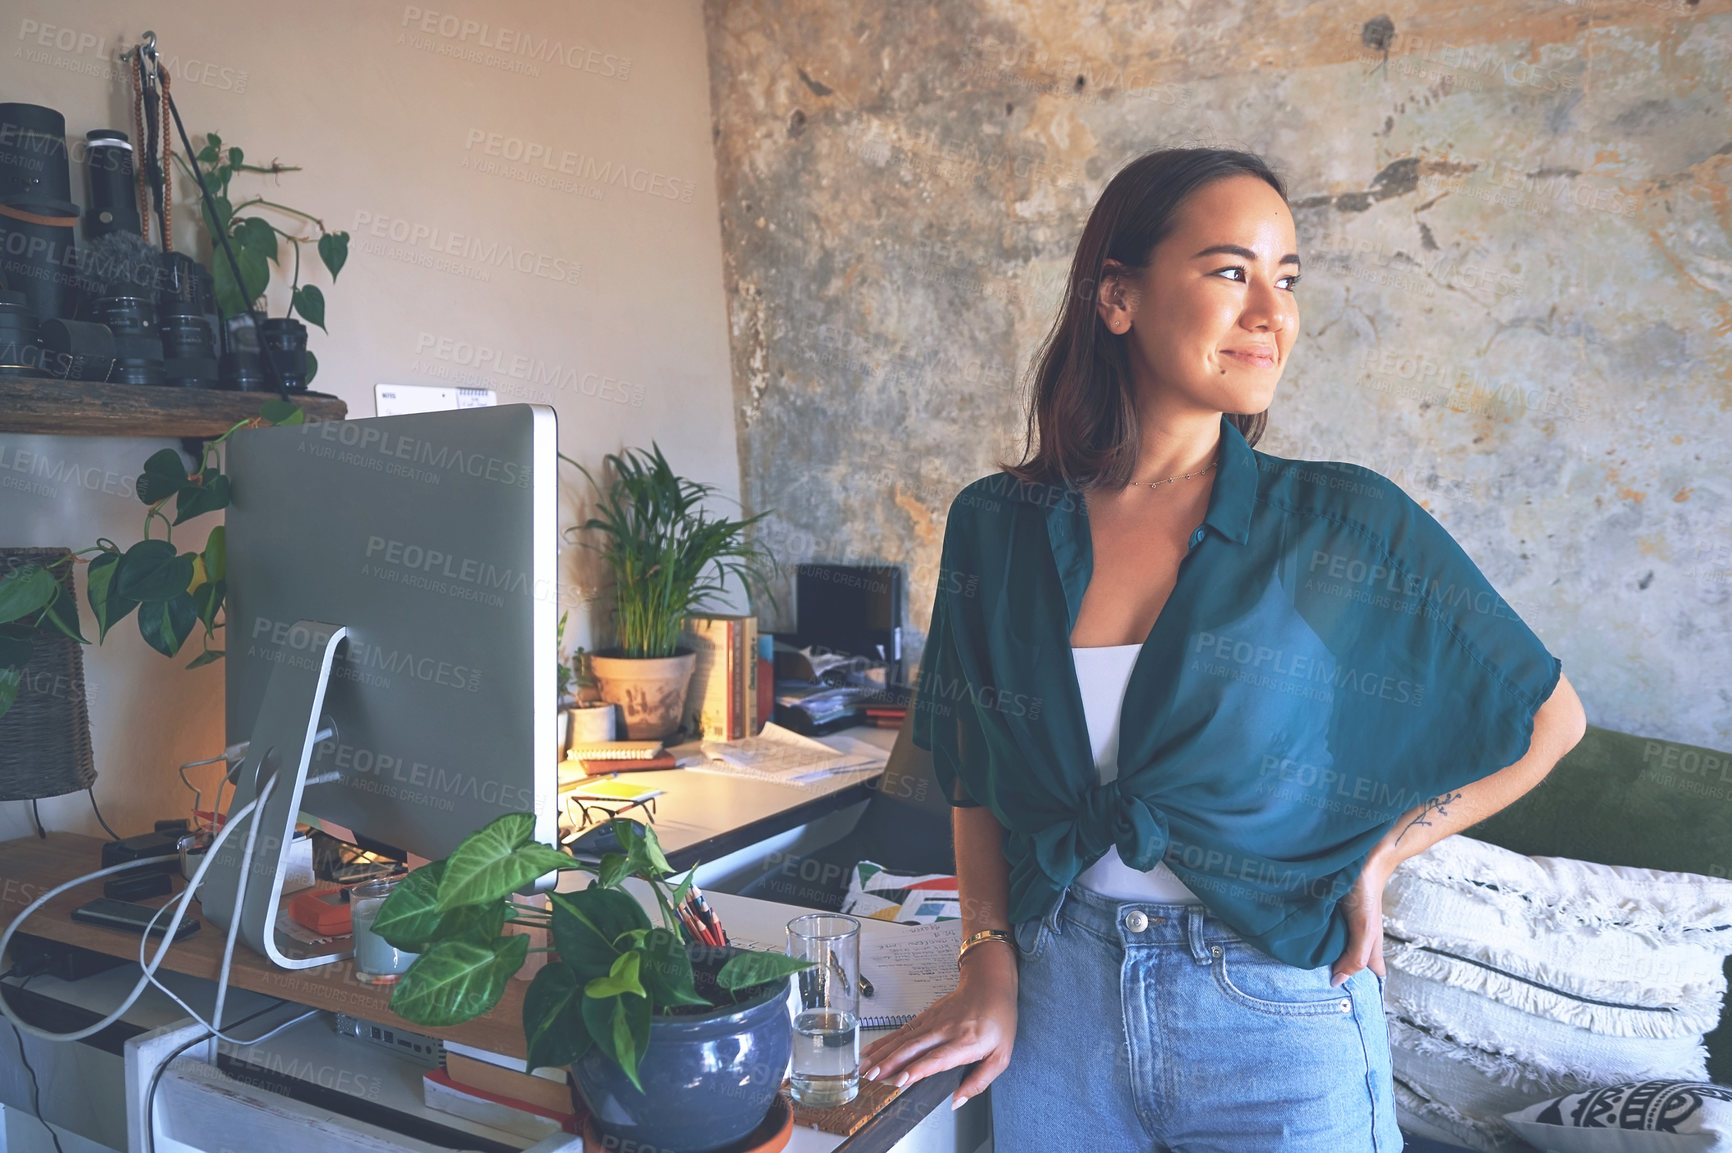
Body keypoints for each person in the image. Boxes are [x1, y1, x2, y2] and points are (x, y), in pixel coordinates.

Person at [859, 148, 1587, 1152]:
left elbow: (1548, 721)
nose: (1270, 312)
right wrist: (987, 954)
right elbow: (973, 772)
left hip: (1276, 1010)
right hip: (1060, 1003)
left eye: (1286, 279)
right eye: (1229, 271)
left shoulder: (1341, 524)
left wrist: (1380, 853)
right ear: (1116, 297)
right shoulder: (999, 525)